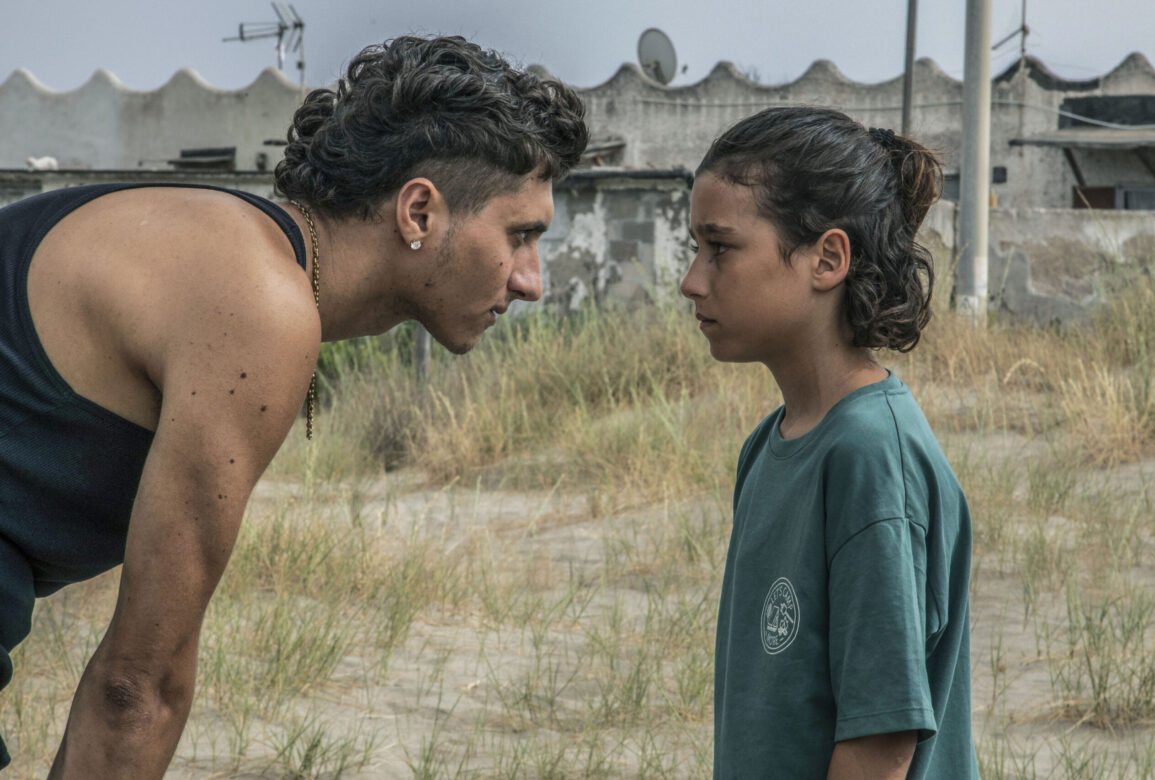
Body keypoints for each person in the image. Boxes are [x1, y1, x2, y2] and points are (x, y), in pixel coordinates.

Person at [0, 34, 587, 776]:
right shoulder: (259, 301)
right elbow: (136, 688)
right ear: (417, 212)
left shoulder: (228, 245)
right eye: (521, 234)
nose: (531, 280)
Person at [681, 107, 977, 779]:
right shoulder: (771, 443)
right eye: (694, 249)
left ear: (828, 259)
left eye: (720, 247)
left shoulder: (872, 456)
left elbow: (880, 743)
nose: (692, 280)